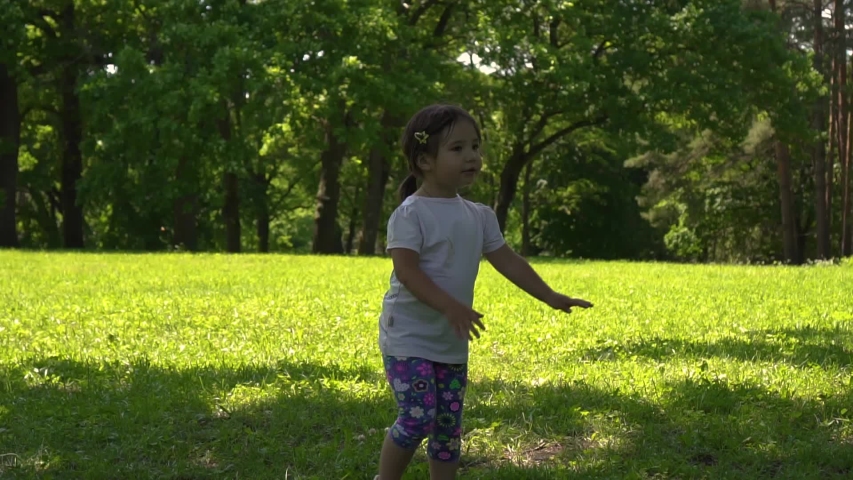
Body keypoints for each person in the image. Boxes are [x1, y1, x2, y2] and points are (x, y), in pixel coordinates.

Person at [375, 104, 593, 480]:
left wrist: (551, 296)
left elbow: (508, 261)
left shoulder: (479, 215)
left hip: (450, 339)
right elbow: (407, 272)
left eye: (475, 146)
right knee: (417, 418)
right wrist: (450, 307)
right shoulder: (410, 214)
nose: (472, 156)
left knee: (447, 427)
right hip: (408, 336)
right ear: (425, 160)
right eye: (457, 148)